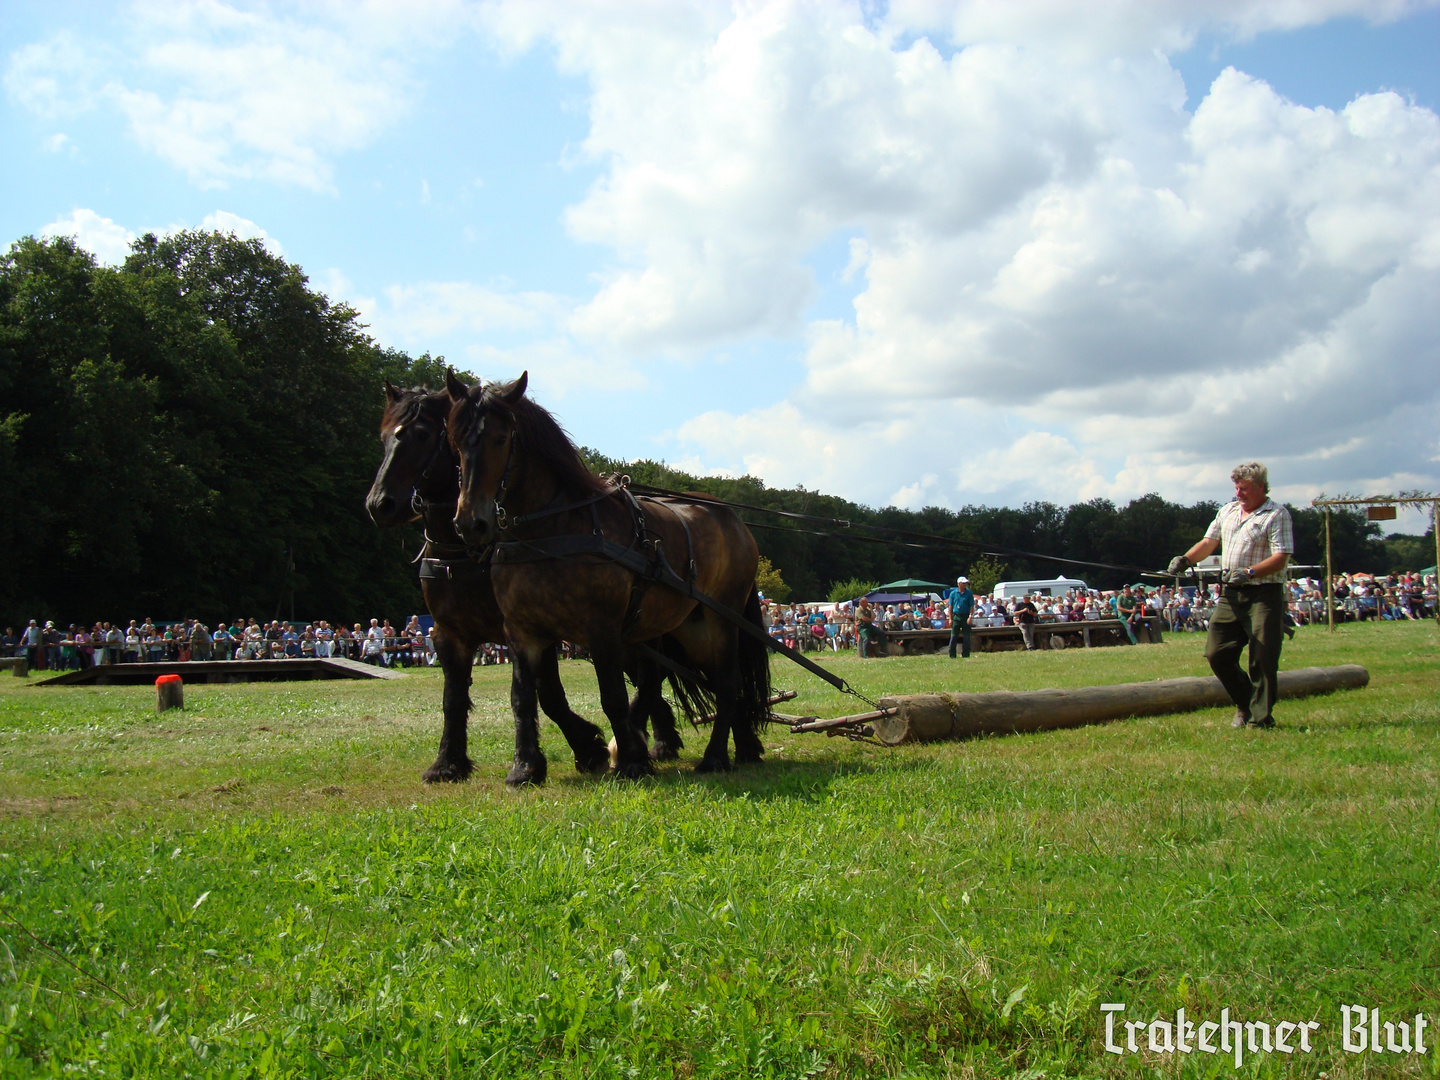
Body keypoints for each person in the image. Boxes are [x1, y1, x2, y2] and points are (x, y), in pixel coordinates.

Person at [1167, 461, 1293, 729]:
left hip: (1264, 593)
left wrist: (1249, 572)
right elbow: (1208, 543)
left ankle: (1261, 720)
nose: (1239, 493)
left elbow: (1281, 557)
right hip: (1231, 594)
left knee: (1262, 656)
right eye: (1236, 488)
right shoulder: (1228, 511)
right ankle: (1245, 702)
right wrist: (1185, 559)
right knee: (1217, 653)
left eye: (1244, 488)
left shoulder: (1276, 514)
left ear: (1261, 487)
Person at [946, 575, 974, 659]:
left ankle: (965, 654)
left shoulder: (969, 594)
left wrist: (970, 616)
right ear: (959, 584)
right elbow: (950, 606)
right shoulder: (953, 594)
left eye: (966, 583)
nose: (965, 584)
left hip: (965, 616)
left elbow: (971, 606)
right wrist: (950, 618)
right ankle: (952, 654)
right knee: (954, 636)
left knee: (966, 636)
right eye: (963, 583)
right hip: (956, 617)